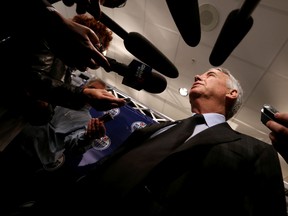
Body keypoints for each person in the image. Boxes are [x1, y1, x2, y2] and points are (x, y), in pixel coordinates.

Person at [51, 67, 286, 216]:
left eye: (210, 74)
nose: (197, 75)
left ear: (231, 93)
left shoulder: (255, 152)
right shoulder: (154, 130)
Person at [0, 12, 125, 150]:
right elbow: (29, 80)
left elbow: (41, 115)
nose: (94, 58)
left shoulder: (66, 76)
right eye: (96, 49)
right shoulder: (45, 38)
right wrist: (83, 95)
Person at [18, 78, 108, 172]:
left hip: (33, 157)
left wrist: (87, 138)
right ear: (85, 87)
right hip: (14, 140)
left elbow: (75, 144)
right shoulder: (61, 95)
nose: (93, 93)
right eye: (92, 88)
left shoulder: (86, 121)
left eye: (98, 92)